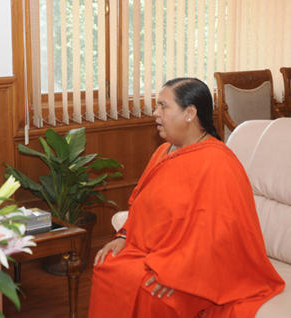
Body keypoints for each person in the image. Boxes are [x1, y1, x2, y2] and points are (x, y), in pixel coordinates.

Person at [88, 78, 285, 317]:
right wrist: (124, 235)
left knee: (147, 290)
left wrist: (173, 274)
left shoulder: (218, 163)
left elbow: (219, 236)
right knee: (107, 267)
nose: (155, 113)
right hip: (157, 251)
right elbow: (142, 205)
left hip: (197, 268)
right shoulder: (165, 151)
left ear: (190, 113)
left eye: (163, 106)